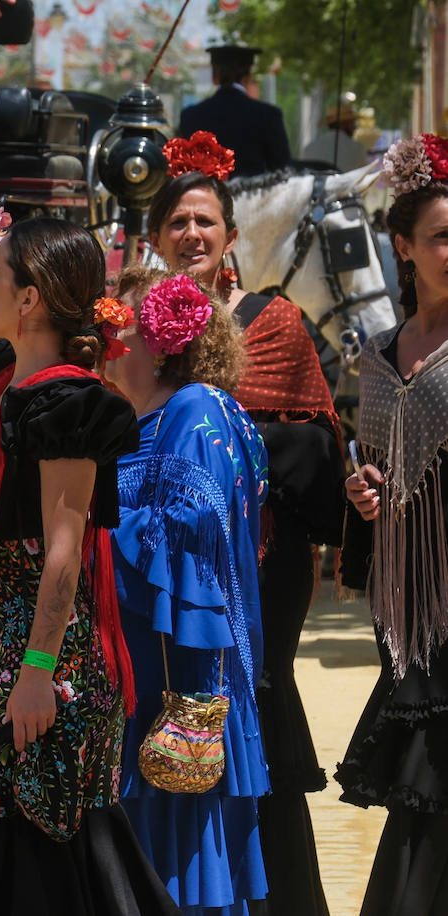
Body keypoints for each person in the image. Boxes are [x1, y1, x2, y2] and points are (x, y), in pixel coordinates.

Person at [0, 218, 176, 915]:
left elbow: (64, 553)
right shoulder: (3, 383)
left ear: (31, 298)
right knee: (6, 849)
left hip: (53, 664)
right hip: (8, 652)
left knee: (33, 842)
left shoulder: (66, 402)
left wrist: (38, 675)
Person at [148, 131, 342, 916]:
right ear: (155, 237)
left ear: (230, 235)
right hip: (160, 566)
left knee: (255, 709)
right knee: (168, 718)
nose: (192, 235)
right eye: (177, 224)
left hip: (260, 570)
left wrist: (232, 446)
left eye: (205, 222)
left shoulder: (276, 323)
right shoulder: (133, 327)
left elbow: (318, 449)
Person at [104, 266, 271, 914]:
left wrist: (71, 531)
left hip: (174, 685)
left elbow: (181, 548)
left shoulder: (193, 410)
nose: (103, 341)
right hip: (142, 677)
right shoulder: (149, 416)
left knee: (167, 877)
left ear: (160, 340)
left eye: (116, 328)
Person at [338, 133, 448, 916]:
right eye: (442, 236)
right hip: (405, 606)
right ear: (403, 248)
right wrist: (361, 490)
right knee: (427, 780)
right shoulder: (375, 357)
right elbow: (372, 462)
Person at [177, 46, 290, 177]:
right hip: (253, 195)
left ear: (214, 77)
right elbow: (282, 169)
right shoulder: (269, 115)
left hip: (208, 195)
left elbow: (185, 169)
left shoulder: (190, 116)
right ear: (247, 77)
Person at [299, 99, 369, 172]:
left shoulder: (309, 148)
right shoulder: (357, 148)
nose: (355, 127)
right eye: (352, 123)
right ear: (343, 124)